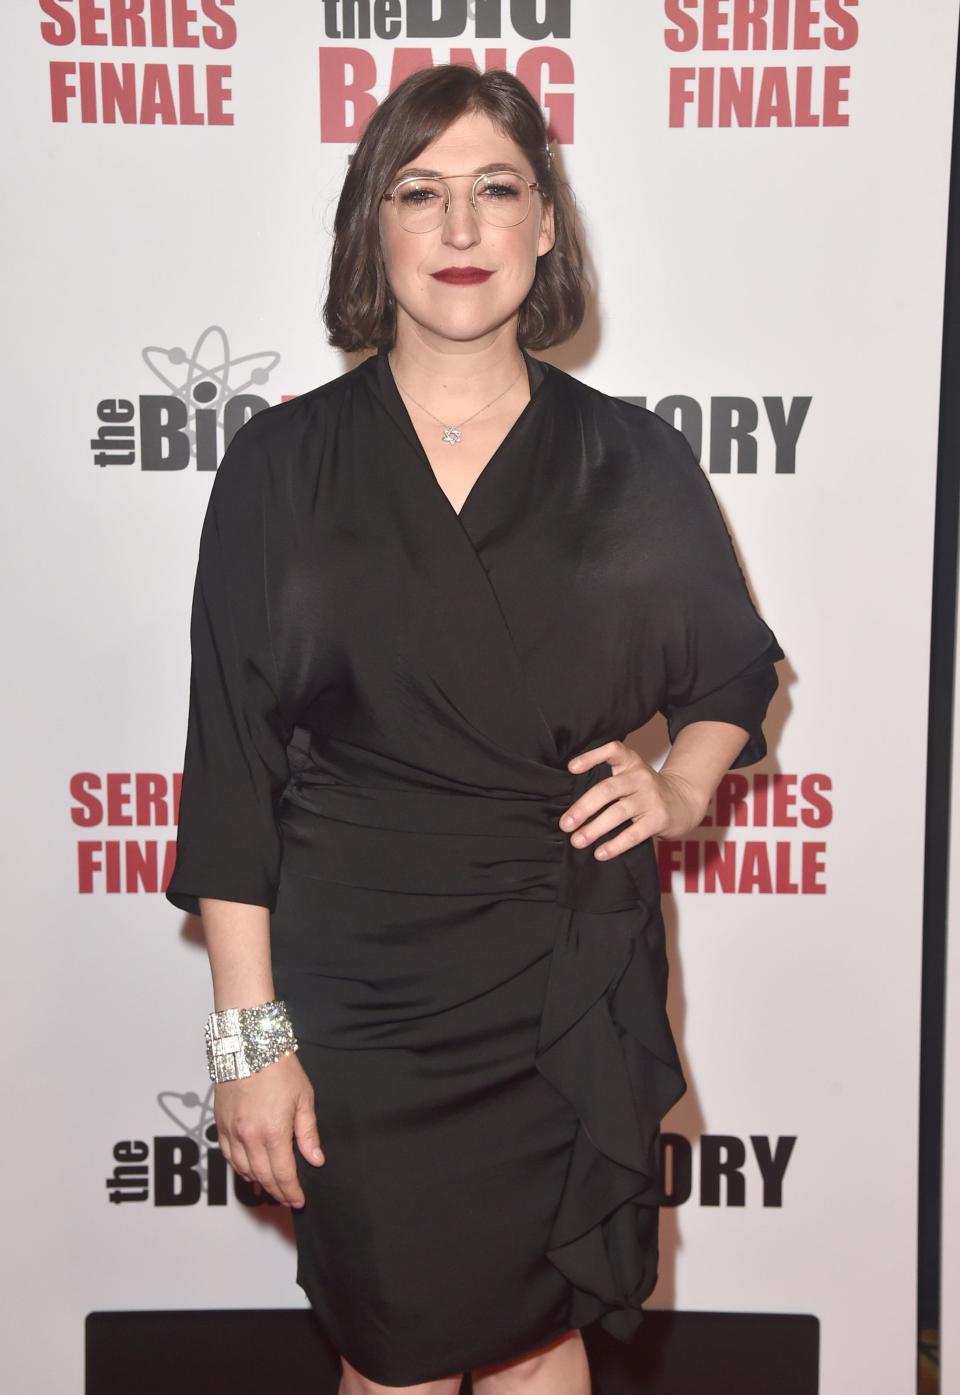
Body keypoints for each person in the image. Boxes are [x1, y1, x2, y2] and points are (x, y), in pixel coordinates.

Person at [165, 63, 785, 1395]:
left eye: (497, 190)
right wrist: (248, 1043)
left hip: (564, 976)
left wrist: (680, 787)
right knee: (389, 1355)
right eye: (419, 192)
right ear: (371, 229)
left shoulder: (634, 462)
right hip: (364, 1004)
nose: (460, 230)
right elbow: (231, 774)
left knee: (542, 1339)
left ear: (547, 227)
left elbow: (734, 669)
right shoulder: (281, 467)